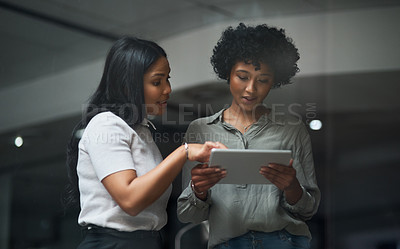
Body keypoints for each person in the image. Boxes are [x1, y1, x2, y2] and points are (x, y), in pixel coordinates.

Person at [64, 36, 225, 249]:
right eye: (157, 82)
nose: (167, 89)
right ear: (127, 85)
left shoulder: (141, 131)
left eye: (168, 79)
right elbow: (130, 200)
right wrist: (183, 152)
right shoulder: (106, 125)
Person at [177, 23, 321, 249]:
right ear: (228, 73)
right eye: (242, 77)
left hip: (284, 242)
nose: (251, 89)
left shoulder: (292, 130)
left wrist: (292, 186)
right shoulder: (200, 130)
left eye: (263, 80)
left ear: (275, 81)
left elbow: (308, 210)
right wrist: (199, 190)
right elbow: (187, 215)